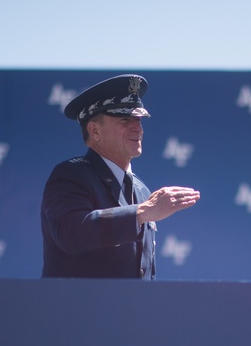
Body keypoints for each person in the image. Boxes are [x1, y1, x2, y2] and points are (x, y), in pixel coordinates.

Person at [41, 74, 200, 278]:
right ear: (95, 130)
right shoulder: (71, 175)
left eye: (139, 119)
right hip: (78, 308)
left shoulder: (142, 190)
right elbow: (71, 233)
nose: (137, 128)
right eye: (125, 119)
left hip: (131, 309)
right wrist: (141, 213)